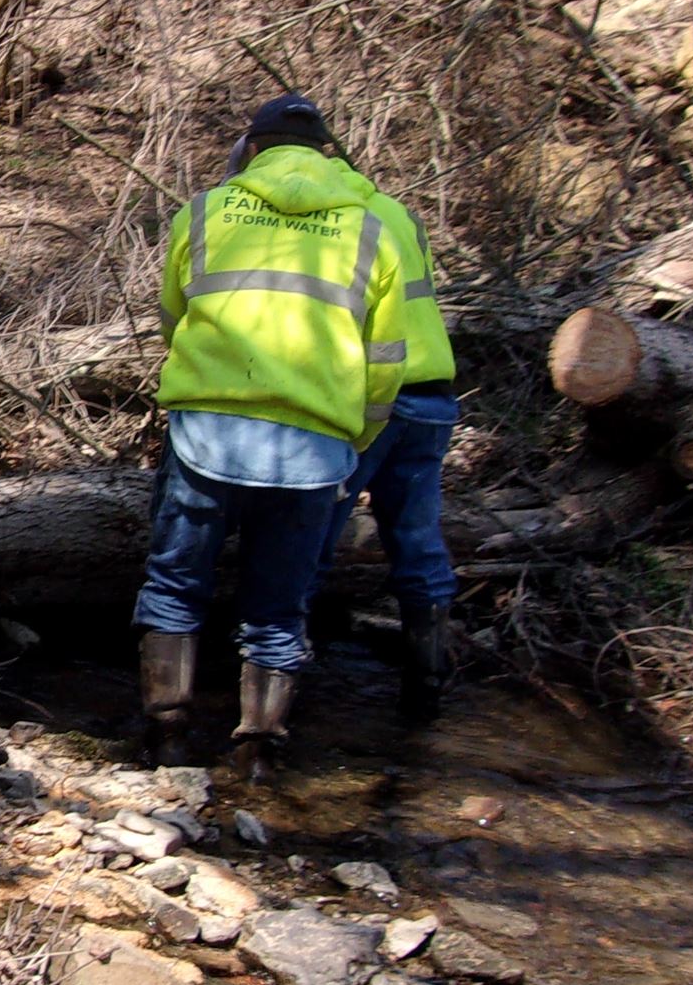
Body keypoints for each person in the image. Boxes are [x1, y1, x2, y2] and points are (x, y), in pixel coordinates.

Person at [136, 93, 410, 769]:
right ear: (327, 155)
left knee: (175, 586)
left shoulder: (204, 212)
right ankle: (257, 752)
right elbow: (385, 363)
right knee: (279, 611)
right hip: (314, 447)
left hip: (207, 433)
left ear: (250, 149)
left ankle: (168, 735)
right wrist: (357, 442)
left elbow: (173, 319)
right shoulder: (372, 230)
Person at [318, 177, 458, 714]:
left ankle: (286, 681)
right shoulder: (400, 213)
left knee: (312, 534)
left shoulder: (333, 218)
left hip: (372, 394)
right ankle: (427, 684)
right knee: (417, 538)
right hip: (432, 393)